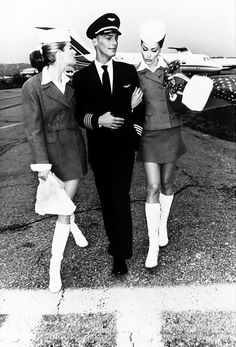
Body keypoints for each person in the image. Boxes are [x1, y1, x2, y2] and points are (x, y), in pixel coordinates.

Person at [73, 13, 144, 275]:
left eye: (116, 37)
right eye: (108, 37)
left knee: (120, 198)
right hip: (100, 151)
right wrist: (98, 120)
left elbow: (139, 111)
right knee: (107, 200)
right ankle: (116, 244)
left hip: (124, 148)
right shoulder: (82, 78)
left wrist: (133, 138)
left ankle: (120, 253)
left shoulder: (128, 71)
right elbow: (78, 114)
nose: (114, 42)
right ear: (95, 40)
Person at [21, 28, 88, 293]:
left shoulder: (71, 85)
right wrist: (43, 169)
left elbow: (81, 115)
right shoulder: (33, 87)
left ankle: (69, 227)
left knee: (65, 206)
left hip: (72, 150)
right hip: (49, 157)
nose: (74, 52)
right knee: (65, 207)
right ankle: (55, 267)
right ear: (59, 53)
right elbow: (33, 129)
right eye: (71, 48)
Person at [136, 20, 187, 268]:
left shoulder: (173, 71)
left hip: (170, 130)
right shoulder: (134, 73)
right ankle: (152, 243)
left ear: (161, 48)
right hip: (148, 134)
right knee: (153, 186)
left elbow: (184, 105)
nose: (149, 54)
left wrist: (179, 97)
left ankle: (162, 224)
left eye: (154, 49)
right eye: (145, 48)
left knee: (167, 183)